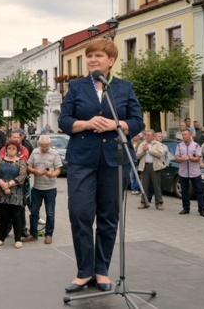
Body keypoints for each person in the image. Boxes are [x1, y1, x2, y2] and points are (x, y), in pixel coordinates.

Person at [58, 38, 143, 293]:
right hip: (82, 159)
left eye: (98, 56)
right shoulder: (76, 87)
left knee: (109, 216)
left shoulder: (124, 87)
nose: (93, 59)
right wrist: (86, 123)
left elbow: (138, 121)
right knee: (80, 213)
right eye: (90, 55)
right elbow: (64, 121)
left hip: (114, 159)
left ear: (111, 61)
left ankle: (101, 270)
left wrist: (118, 125)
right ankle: (84, 272)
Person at [23, 135, 62, 243]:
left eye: (46, 146)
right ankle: (33, 234)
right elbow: (29, 166)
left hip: (50, 188)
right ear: (39, 144)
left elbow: (58, 169)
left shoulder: (55, 153)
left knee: (50, 213)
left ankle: (48, 234)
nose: (44, 148)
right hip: (36, 188)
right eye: (42, 146)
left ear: (50, 145)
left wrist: (51, 174)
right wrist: (35, 171)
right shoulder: (35, 152)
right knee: (34, 212)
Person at [0, 140, 26, 249]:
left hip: (16, 193)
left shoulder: (21, 162)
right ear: (6, 149)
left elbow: (22, 176)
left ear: (17, 150)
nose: (11, 150)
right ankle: (1, 238)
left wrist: (8, 185)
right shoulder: (1, 160)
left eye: (13, 148)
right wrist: (3, 185)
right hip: (2, 193)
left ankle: (18, 239)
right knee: (3, 216)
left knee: (17, 216)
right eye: (9, 148)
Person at [175, 129, 204, 217]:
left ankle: (201, 210)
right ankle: (186, 208)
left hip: (195, 172)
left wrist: (190, 158)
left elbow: (198, 158)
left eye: (185, 134)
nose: (183, 136)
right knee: (184, 191)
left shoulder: (196, 145)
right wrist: (182, 159)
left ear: (190, 135)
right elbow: (176, 158)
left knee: (199, 191)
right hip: (183, 172)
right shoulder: (179, 145)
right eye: (182, 135)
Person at [136, 129, 165, 210]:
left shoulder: (158, 144)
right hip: (145, 166)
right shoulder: (142, 144)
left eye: (148, 135)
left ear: (153, 136)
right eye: (145, 135)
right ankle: (143, 202)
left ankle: (159, 203)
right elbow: (137, 156)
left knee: (157, 186)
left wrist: (149, 149)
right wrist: (144, 151)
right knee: (144, 186)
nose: (146, 137)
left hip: (155, 167)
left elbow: (159, 154)